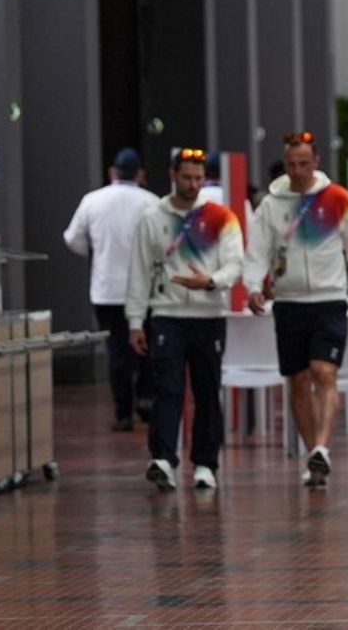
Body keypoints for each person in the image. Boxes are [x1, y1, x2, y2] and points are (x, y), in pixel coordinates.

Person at [243, 131, 348, 487]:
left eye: (304, 163)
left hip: (329, 298)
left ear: (316, 161)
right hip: (289, 301)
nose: (298, 171)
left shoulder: (337, 198)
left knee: (324, 372)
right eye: (291, 165)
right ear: (284, 165)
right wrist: (254, 286)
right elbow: (257, 250)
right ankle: (312, 454)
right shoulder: (271, 204)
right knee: (298, 380)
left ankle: (322, 447)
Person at [125, 148, 243, 491]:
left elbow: (235, 263)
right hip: (167, 314)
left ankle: (206, 464)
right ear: (172, 175)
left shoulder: (221, 217)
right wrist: (135, 321)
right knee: (168, 388)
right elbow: (139, 272)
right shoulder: (152, 218)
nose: (193, 184)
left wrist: (210, 282)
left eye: (198, 178)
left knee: (207, 391)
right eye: (187, 177)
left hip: (208, 314)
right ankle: (163, 459)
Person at [62, 147, 159, 431]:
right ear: (140, 175)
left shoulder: (92, 201)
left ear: (112, 173)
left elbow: (73, 239)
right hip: (144, 289)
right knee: (146, 346)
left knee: (117, 350)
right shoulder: (151, 202)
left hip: (106, 289)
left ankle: (122, 411)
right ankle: (145, 399)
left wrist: (98, 252)